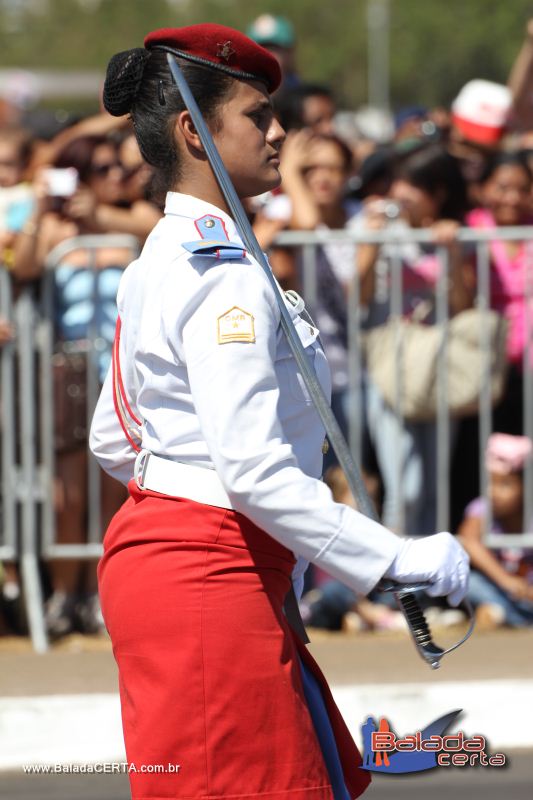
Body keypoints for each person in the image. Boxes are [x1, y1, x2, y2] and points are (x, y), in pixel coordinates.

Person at [89, 23, 469, 800]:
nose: (279, 130)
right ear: (195, 132)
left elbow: (114, 436)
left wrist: (244, 545)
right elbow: (254, 470)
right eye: (256, 115)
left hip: (197, 561)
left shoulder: (167, 255)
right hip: (208, 568)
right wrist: (391, 558)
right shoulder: (222, 273)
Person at [466, 151, 533, 436]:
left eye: (523, 189)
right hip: (486, 363)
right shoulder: (469, 228)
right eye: (503, 188)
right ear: (483, 189)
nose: (513, 198)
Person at [459, 433, 533, 628]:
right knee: (468, 581)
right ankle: (511, 617)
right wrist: (506, 580)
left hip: (529, 593)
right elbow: (469, 540)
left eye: (505, 484)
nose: (493, 491)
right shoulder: (482, 509)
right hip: (502, 589)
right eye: (490, 482)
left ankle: (505, 616)